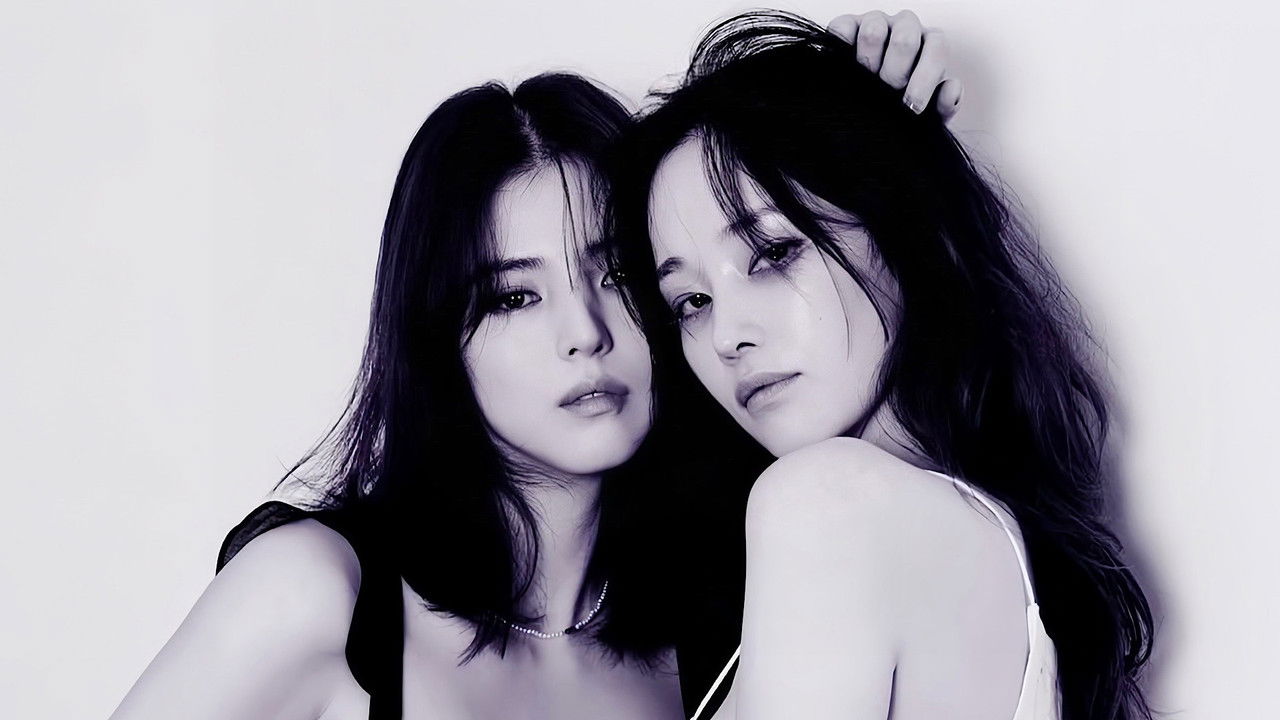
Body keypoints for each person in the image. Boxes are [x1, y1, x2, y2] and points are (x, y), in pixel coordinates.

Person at [108, 12, 954, 719]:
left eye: (617, 276)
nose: (584, 333)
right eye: (515, 297)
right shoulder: (317, 597)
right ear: (439, 339)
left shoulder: (738, 613)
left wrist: (858, 141)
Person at [610, 10, 1154, 720]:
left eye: (773, 253)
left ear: (901, 228)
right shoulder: (977, 543)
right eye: (690, 301)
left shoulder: (825, 502)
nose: (726, 336)